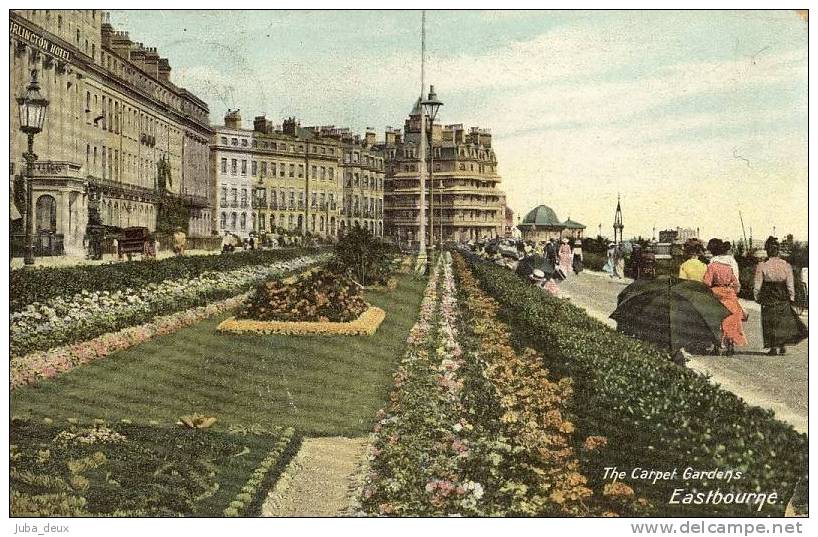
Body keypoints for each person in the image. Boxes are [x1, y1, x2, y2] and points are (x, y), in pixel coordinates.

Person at [753, 237, 808, 356]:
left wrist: (756, 296)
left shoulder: (762, 265)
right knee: (782, 320)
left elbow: (758, 283)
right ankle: (782, 345)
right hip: (782, 293)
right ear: (778, 251)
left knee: (770, 319)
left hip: (769, 294)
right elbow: (790, 283)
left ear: (767, 251)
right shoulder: (786, 265)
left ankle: (773, 347)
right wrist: (792, 297)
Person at [703, 240, 747, 355]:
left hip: (716, 293)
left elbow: (707, 282)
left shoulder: (712, 265)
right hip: (729, 293)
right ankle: (730, 344)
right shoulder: (729, 265)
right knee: (731, 319)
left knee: (716, 320)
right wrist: (734, 292)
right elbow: (736, 282)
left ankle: (716, 346)